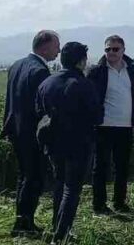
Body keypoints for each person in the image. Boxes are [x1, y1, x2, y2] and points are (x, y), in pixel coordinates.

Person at [36, 42, 102, 244]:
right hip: (78, 145)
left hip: (53, 144)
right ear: (81, 61)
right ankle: (62, 234)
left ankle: (56, 226)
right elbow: (97, 116)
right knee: (72, 189)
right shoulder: (83, 85)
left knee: (60, 184)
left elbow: (40, 112)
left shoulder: (47, 83)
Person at [1, 29, 59, 238]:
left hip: (16, 130)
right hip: (31, 134)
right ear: (44, 47)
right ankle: (25, 225)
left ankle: (21, 219)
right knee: (34, 178)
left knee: (24, 176)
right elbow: (41, 108)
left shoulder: (17, 65)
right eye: (55, 46)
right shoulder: (40, 72)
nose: (59, 50)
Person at [86, 34, 134, 215]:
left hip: (125, 127)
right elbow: (90, 99)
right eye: (108, 49)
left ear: (123, 50)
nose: (111, 52)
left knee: (122, 167)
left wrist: (133, 121)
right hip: (104, 126)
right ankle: (99, 205)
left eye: (115, 49)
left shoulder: (130, 69)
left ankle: (119, 203)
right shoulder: (97, 71)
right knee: (100, 168)